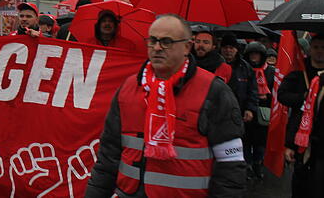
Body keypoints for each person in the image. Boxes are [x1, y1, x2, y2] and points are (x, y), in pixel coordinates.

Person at [85, 14, 246, 197]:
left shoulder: (214, 92)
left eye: (167, 41)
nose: (157, 47)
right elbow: (108, 156)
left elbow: (231, 165)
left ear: (187, 47)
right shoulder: (128, 88)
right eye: (152, 40)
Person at [278, 34, 324, 196]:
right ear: (310, 49)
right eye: (316, 47)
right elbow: (282, 95)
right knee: (301, 185)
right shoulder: (300, 71)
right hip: (301, 139)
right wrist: (303, 97)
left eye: (323, 48)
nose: (320, 52)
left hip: (321, 140)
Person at [241, 41, 274, 181]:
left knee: (261, 141)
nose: (254, 57)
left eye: (257, 54)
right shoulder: (245, 69)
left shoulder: (270, 71)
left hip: (264, 111)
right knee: (246, 139)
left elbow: (276, 90)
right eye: (252, 54)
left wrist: (267, 96)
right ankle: (247, 164)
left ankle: (258, 163)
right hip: (248, 109)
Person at [220, 34, 258, 127]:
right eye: (225, 47)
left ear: (236, 49)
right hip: (218, 111)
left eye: (231, 47)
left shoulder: (246, 67)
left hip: (239, 112)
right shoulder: (215, 64)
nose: (228, 50)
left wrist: (250, 109)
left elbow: (252, 90)